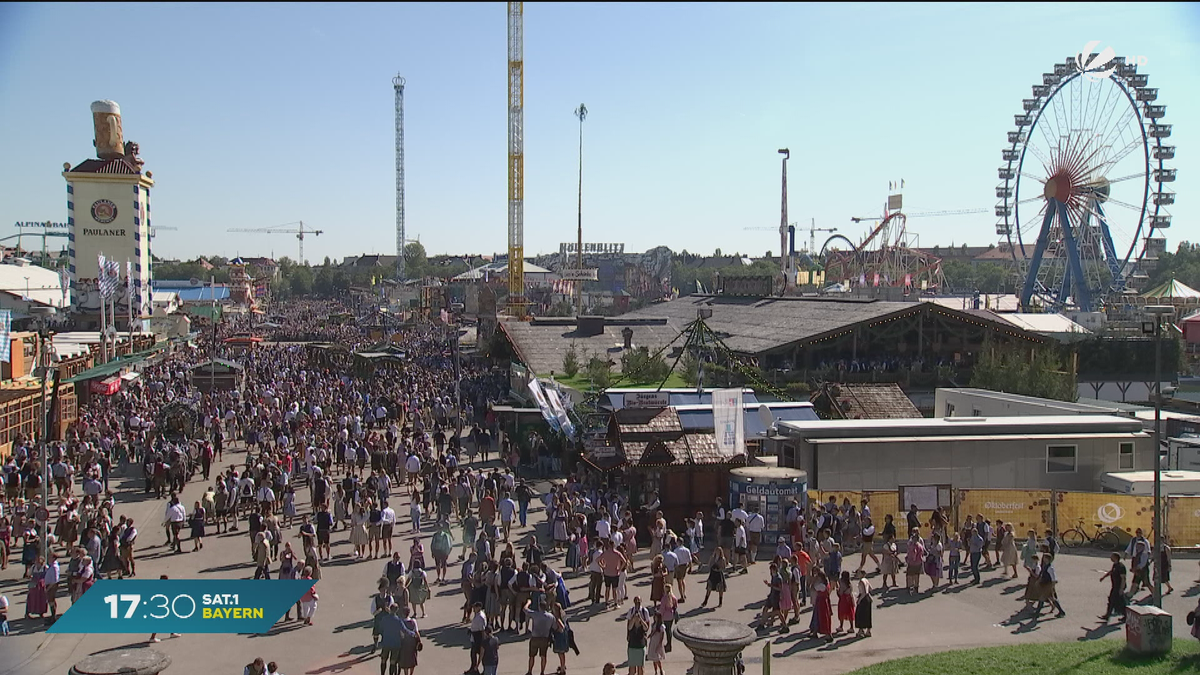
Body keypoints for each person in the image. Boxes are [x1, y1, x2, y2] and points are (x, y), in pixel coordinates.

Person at [524, 597, 560, 675]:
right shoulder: (550, 616)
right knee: (543, 656)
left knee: (532, 656)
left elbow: (525, 609)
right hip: (545, 639)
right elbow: (555, 627)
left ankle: (530, 671)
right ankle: (542, 672)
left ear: (539, 607)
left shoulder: (535, 614)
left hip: (535, 638)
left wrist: (528, 602)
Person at [1098, 552, 1127, 623]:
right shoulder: (1115, 565)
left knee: (1118, 601)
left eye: (1112, 556)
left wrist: (1121, 589)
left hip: (1119, 586)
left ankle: (1126, 615)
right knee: (1113, 600)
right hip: (1115, 586)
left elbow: (1123, 578)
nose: (1110, 558)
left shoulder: (1121, 567)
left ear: (1116, 557)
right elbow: (1111, 572)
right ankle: (1108, 615)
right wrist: (1103, 577)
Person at [626, 608, 649, 675]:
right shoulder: (632, 626)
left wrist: (641, 619)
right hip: (632, 647)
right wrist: (633, 619)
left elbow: (646, 628)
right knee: (632, 669)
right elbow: (629, 627)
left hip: (640, 647)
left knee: (641, 668)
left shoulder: (642, 625)